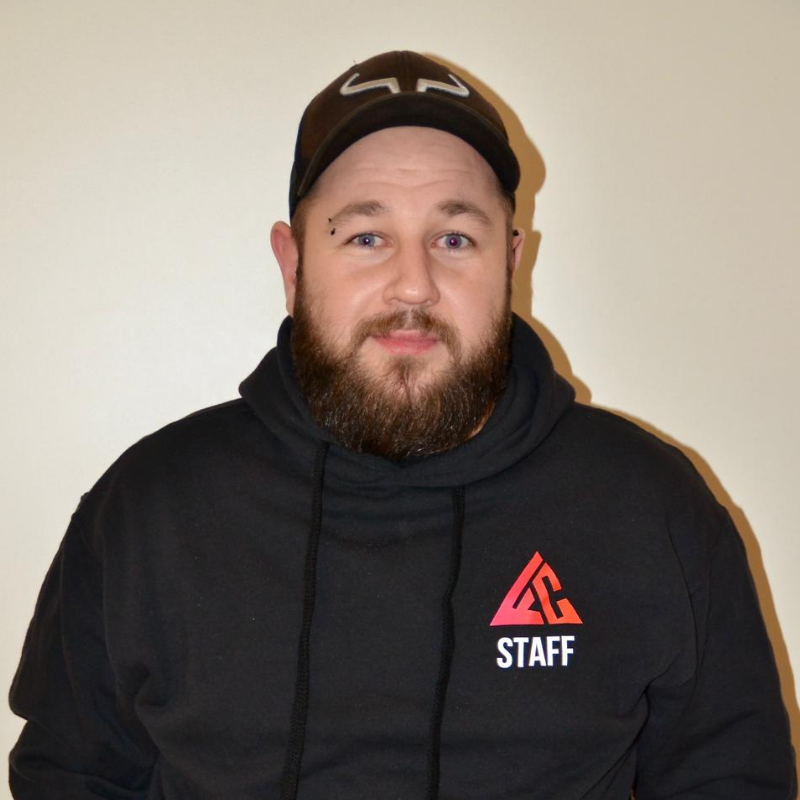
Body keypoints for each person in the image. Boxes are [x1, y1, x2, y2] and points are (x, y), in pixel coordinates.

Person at [8, 50, 796, 800]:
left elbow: (731, 778)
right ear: (292, 265)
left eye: (454, 239)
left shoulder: (648, 505)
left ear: (512, 260)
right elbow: (70, 774)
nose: (411, 283)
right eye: (365, 236)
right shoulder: (151, 507)